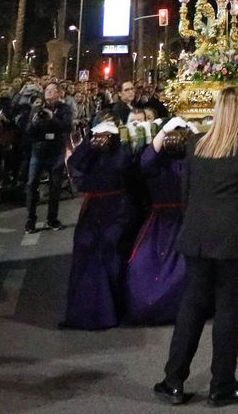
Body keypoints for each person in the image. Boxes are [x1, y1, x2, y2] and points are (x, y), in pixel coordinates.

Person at [156, 87, 238, 407]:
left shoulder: (197, 145)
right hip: (235, 243)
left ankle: (173, 380)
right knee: (228, 311)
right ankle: (222, 384)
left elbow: (186, 194)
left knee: (192, 308)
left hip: (197, 239)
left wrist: (193, 228)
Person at [62, 120, 139, 329]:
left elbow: (124, 169)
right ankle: (86, 309)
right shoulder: (90, 154)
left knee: (111, 255)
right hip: (94, 210)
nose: (102, 138)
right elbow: (76, 165)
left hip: (117, 210)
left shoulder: (122, 153)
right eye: (98, 134)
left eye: (107, 135)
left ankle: (111, 308)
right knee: (86, 253)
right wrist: (89, 145)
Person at [127, 118, 196, 325]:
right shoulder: (159, 164)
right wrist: (165, 130)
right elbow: (146, 160)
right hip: (161, 221)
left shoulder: (188, 163)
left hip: (183, 220)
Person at [21, 82, 74, 232]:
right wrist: (33, 122)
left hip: (56, 151)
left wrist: (52, 118)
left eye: (52, 90)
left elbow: (67, 127)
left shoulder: (64, 109)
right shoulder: (37, 107)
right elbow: (29, 131)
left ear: (59, 93)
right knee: (32, 184)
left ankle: (52, 219)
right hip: (39, 150)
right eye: (47, 90)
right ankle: (30, 220)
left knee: (55, 186)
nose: (48, 93)